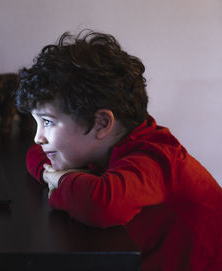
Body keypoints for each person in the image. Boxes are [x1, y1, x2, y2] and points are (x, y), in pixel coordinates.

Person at [15, 29, 222, 271]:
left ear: (101, 123)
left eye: (47, 122)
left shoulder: (153, 156)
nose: (38, 137)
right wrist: (51, 174)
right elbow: (34, 154)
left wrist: (58, 178)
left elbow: (100, 204)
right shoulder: (106, 144)